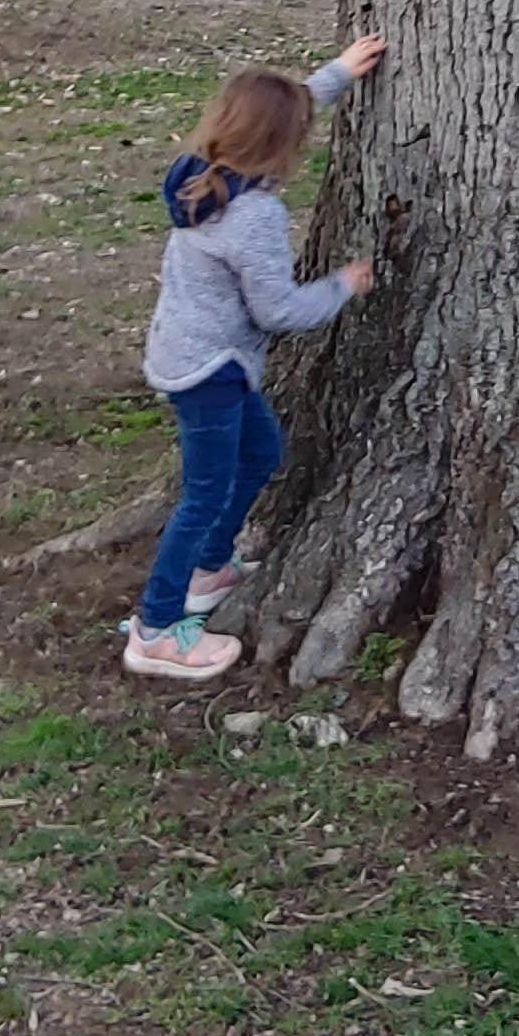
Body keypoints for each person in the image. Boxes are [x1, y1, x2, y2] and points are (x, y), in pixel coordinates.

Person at [122, 33, 385, 681]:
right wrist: (341, 286)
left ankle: (212, 569)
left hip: (192, 354)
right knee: (204, 494)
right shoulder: (254, 216)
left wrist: (337, 75)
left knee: (262, 453)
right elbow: (279, 312)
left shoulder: (198, 174)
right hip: (210, 372)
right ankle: (156, 629)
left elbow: (282, 107)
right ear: (279, 146)